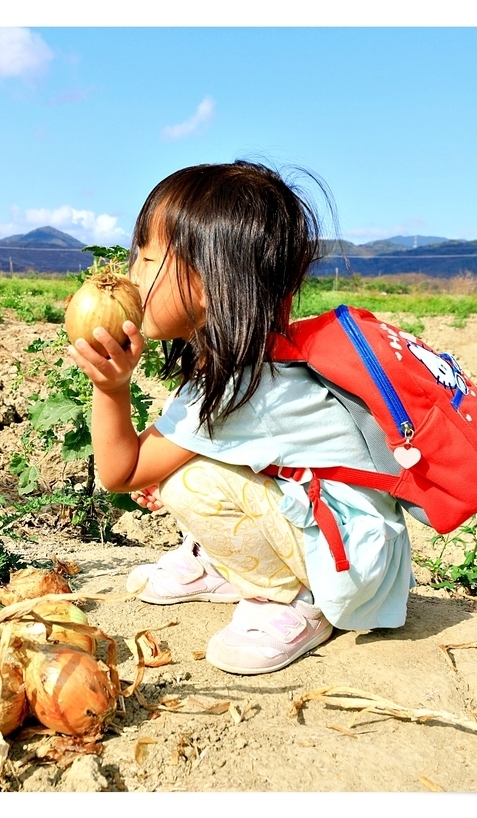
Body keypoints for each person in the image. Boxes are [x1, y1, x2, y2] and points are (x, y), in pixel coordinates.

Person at [66, 161, 414, 676]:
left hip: (349, 568)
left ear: (211, 284)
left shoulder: (246, 389)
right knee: (181, 469)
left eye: (145, 257)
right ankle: (233, 562)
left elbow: (120, 472)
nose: (130, 274)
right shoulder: (256, 360)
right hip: (351, 534)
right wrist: (156, 465)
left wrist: (110, 388)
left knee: (190, 481)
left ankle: (293, 600)